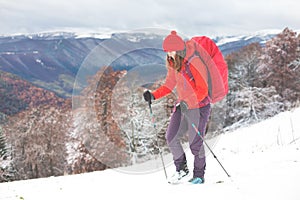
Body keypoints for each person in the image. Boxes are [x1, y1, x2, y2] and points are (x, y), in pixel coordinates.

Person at [143, 30, 212, 184]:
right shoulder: (174, 64)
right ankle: (181, 170)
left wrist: (190, 102)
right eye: (166, 51)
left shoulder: (194, 62)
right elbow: (169, 85)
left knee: (195, 142)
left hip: (200, 106)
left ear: (179, 49)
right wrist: (153, 95)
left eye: (171, 50)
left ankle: (199, 175)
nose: (169, 54)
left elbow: (203, 89)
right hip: (183, 105)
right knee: (171, 136)